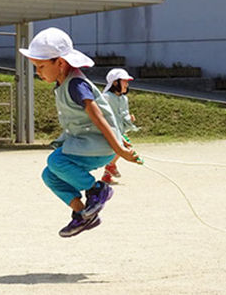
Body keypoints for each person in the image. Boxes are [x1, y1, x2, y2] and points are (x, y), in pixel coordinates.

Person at [19, 27, 139, 238]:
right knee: (49, 175)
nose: (38, 72)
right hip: (87, 144)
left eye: (40, 66)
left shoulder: (76, 84)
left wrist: (118, 147)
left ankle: (97, 190)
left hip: (99, 145)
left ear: (61, 63)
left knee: (56, 161)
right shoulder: (62, 83)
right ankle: (82, 213)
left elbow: (98, 117)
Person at [100, 68, 139, 184]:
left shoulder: (124, 98)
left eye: (127, 81)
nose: (127, 84)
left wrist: (129, 120)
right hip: (109, 130)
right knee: (120, 148)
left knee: (121, 149)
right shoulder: (106, 97)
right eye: (124, 81)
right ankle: (110, 166)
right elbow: (103, 115)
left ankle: (107, 173)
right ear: (115, 82)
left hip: (120, 130)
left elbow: (123, 114)